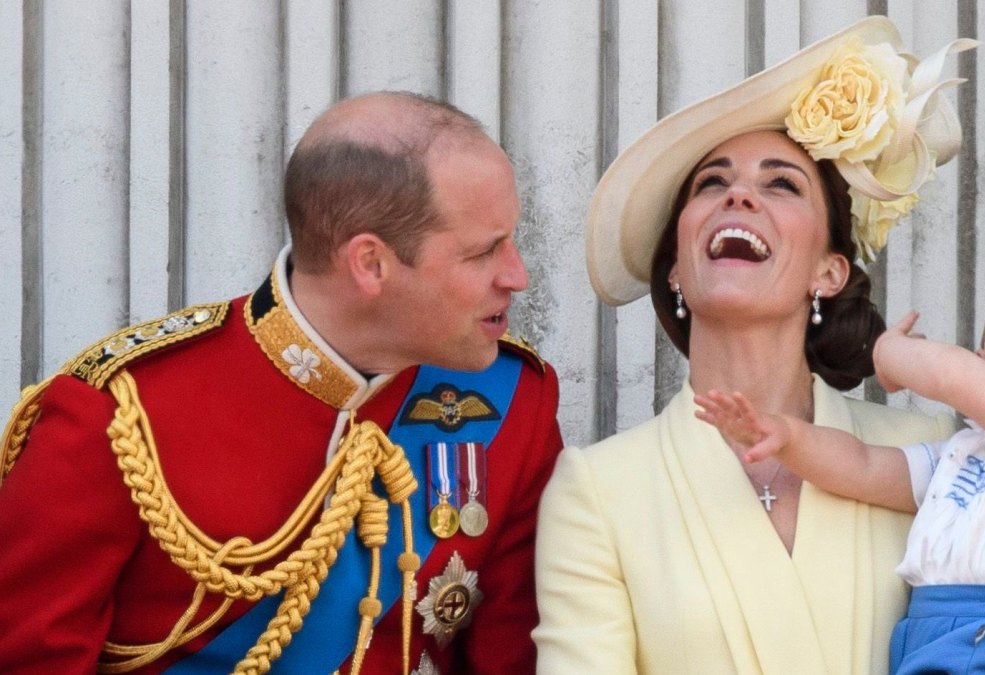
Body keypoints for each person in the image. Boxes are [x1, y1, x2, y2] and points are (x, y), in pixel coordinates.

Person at [533, 16, 985, 674]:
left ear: (829, 270)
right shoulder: (596, 490)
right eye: (712, 182)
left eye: (781, 183)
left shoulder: (937, 445)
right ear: (675, 266)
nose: (738, 194)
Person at [0, 91, 563, 675]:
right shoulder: (119, 415)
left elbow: (516, 659)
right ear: (370, 263)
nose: (516, 275)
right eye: (483, 252)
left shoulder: (514, 402)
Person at [696, 251, 985, 674]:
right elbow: (863, 467)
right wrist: (788, 436)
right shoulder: (964, 450)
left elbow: (955, 377)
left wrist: (889, 354)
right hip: (931, 632)